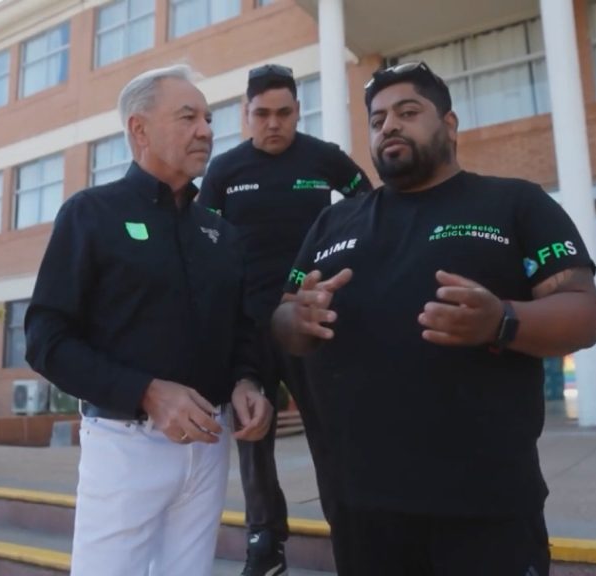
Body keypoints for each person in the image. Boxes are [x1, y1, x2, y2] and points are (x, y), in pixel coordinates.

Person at [272, 61, 596, 575]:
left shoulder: (513, 203)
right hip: (362, 507)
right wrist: (298, 320)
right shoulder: (335, 220)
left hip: (485, 506)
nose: (390, 126)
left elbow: (584, 312)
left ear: (449, 126)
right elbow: (284, 318)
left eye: (408, 111)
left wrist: (502, 321)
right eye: (378, 119)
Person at [24, 65, 273, 576]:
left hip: (208, 448)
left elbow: (244, 331)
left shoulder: (221, 235)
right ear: (139, 130)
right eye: (188, 117)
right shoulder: (91, 214)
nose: (207, 129)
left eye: (208, 118)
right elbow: (46, 339)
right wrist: (146, 391)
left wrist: (248, 381)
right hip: (124, 449)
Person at [198, 63, 372, 576]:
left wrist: (346, 270)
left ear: (298, 111)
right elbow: (202, 243)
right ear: (245, 115)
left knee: (331, 434)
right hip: (247, 326)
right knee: (253, 436)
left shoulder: (324, 159)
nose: (273, 123)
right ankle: (265, 540)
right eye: (261, 114)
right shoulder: (225, 170)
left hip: (308, 321)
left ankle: (354, 534)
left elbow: (372, 208)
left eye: (284, 113)